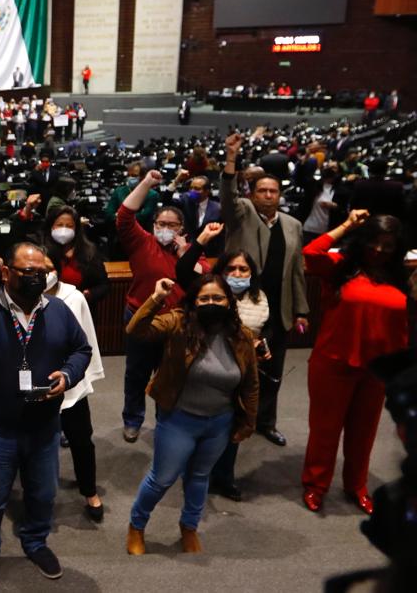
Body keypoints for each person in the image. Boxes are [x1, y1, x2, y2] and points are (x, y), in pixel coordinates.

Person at [0, 243, 92, 590]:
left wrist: (68, 375)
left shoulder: (57, 309)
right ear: (7, 273)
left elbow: (81, 349)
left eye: (41, 271)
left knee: (43, 493)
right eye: (28, 271)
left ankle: (35, 541)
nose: (36, 277)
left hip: (44, 424)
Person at [125, 275, 259, 555]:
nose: (212, 303)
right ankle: (136, 526)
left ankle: (189, 527)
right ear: (193, 302)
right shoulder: (178, 323)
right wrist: (157, 298)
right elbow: (135, 330)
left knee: (199, 476)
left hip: (219, 422)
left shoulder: (241, 336)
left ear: (229, 301)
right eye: (204, 298)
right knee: (162, 478)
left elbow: (251, 384)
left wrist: (249, 422)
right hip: (179, 419)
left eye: (218, 298)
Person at [301, 211, 409, 514]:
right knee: (325, 430)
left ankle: (357, 486)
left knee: (364, 432)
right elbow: (311, 252)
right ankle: (315, 485)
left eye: (387, 245)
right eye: (374, 242)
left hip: (378, 369)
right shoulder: (341, 267)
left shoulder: (401, 277)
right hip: (333, 362)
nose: (379, 250)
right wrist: (347, 224)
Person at [222, 131, 308, 446]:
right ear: (253, 193)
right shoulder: (242, 213)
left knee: (272, 372)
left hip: (279, 310)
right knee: (234, 368)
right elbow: (228, 197)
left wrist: (301, 310)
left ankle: (265, 422)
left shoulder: (293, 226)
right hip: (243, 308)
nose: (268, 195)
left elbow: (296, 272)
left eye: (273, 191)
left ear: (280, 195)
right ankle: (229, 420)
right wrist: (231, 158)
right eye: (262, 190)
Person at [176, 222, 269, 501]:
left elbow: (267, 329)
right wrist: (202, 240)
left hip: (238, 373)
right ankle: (195, 476)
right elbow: (183, 270)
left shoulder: (260, 298)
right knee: (199, 428)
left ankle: (224, 478)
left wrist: (263, 346)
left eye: (243, 269)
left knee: (232, 428)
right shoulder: (209, 293)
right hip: (203, 370)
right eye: (231, 269)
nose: (237, 274)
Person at [118, 169, 205, 442]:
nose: (165, 229)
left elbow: (205, 277)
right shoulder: (142, 242)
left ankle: (164, 421)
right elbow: (124, 215)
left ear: (181, 229)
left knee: (170, 374)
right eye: (161, 223)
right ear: (153, 224)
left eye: (172, 225)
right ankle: (132, 419)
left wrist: (185, 254)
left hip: (177, 321)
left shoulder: (192, 250)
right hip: (141, 317)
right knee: (137, 373)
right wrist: (146, 183)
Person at [44, 256, 106, 521]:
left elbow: (86, 340)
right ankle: (38, 496)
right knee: (35, 444)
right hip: (36, 382)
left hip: (70, 380)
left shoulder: (74, 297)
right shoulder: (17, 299)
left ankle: (89, 491)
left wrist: (83, 376)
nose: (43, 274)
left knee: (81, 439)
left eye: (48, 268)